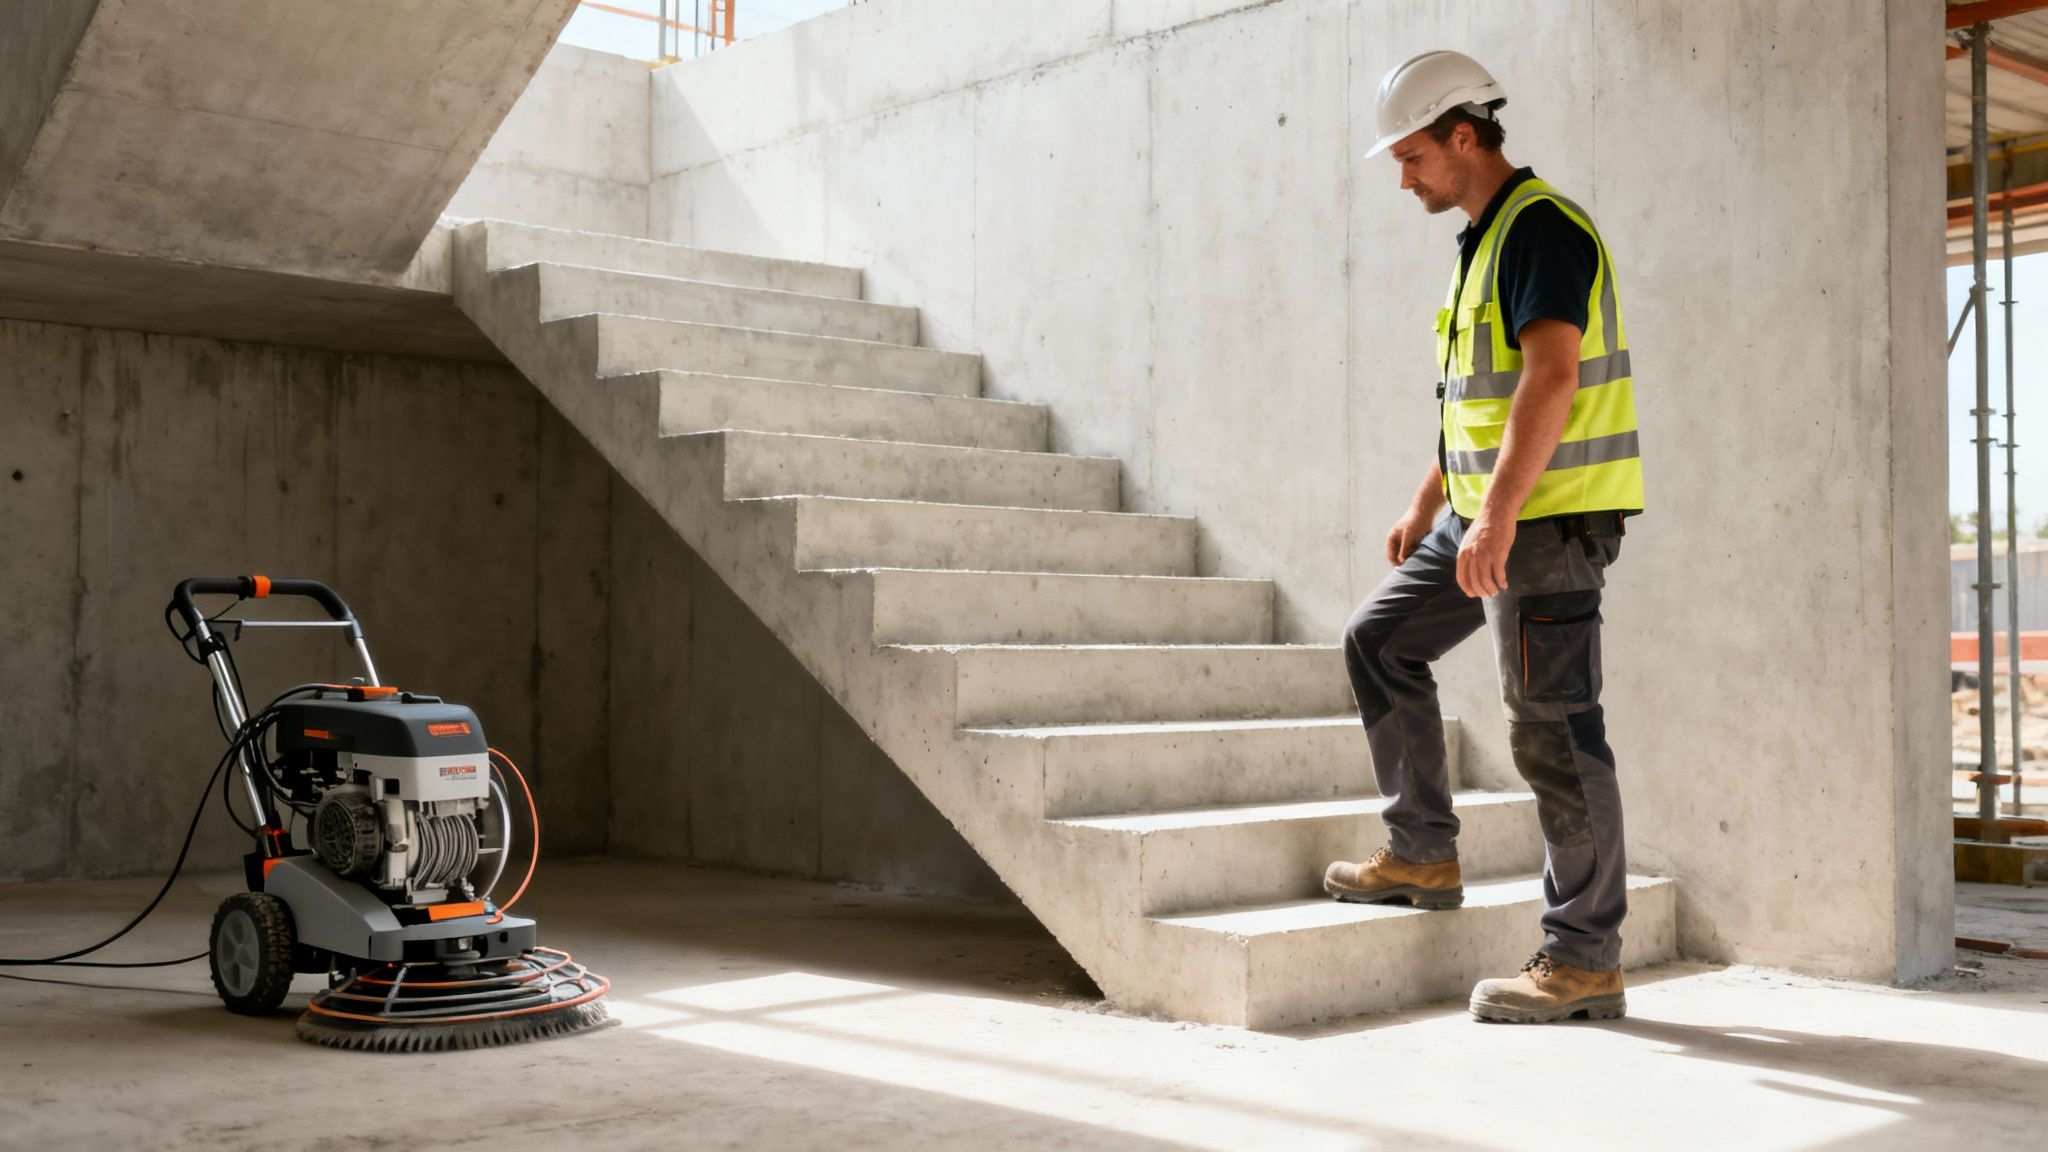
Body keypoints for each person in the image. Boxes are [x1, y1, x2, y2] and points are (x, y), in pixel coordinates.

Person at [1322, 50, 1643, 1024]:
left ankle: (1583, 958)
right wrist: (1428, 503)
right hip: (1479, 513)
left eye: (1411, 156)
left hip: (1545, 519)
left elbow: (1551, 377)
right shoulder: (1483, 242)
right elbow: (1479, 401)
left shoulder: (1539, 230)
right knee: (1380, 641)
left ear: (1463, 136)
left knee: (1553, 729)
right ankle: (1421, 850)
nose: (1403, 178)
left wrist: (1495, 515)